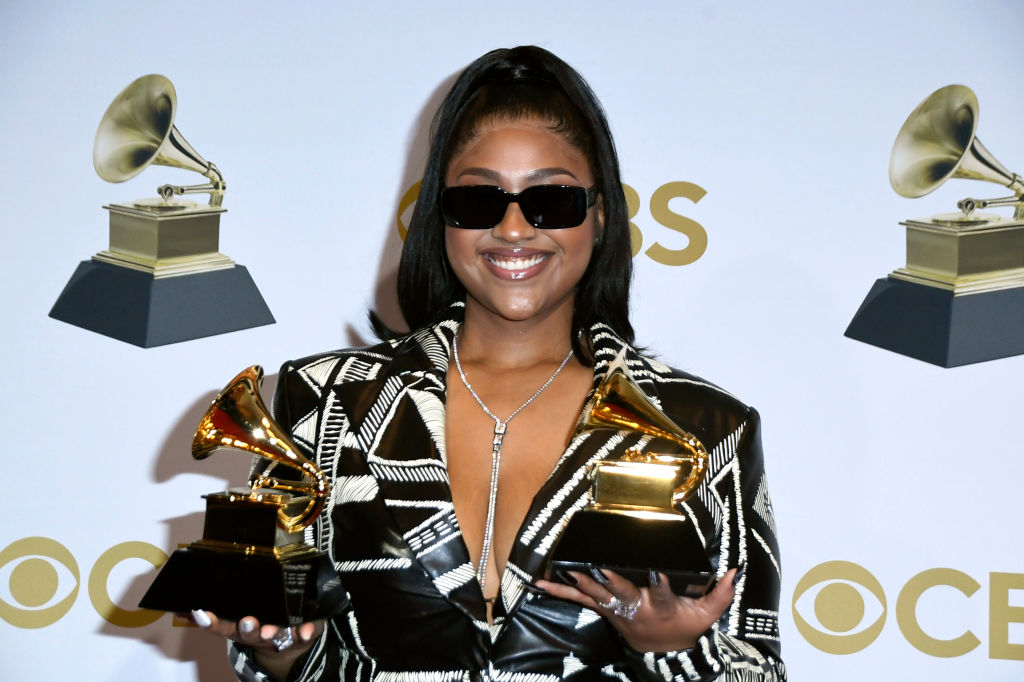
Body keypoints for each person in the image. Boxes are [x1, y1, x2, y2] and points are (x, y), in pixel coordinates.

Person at [193, 45, 785, 681]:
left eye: (550, 200)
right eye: (479, 201)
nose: (512, 228)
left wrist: (672, 648)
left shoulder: (704, 429)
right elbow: (308, 652)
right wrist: (279, 652)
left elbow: (759, 669)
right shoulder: (324, 405)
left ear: (600, 214)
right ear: (440, 217)